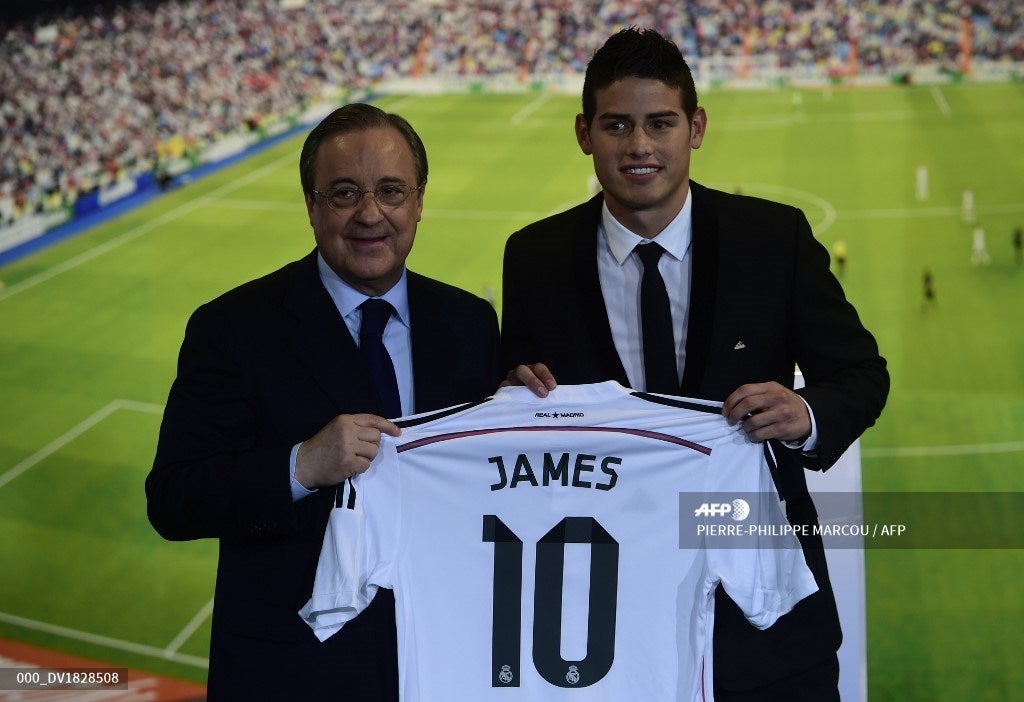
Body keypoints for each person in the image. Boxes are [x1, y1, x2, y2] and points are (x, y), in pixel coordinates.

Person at [501, 28, 889, 701]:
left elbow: (861, 373)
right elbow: (518, 412)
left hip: (765, 624)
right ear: (584, 132)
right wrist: (508, 399)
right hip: (604, 624)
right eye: (617, 125)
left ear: (697, 127)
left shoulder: (773, 240)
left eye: (661, 123)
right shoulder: (533, 259)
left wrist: (807, 414)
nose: (639, 146)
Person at [146, 103, 502, 699]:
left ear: (418, 202)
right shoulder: (232, 327)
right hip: (295, 675)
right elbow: (174, 500)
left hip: (441, 660)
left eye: (391, 190)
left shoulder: (471, 323)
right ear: (312, 207)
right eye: (344, 193)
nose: (370, 214)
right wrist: (298, 467)